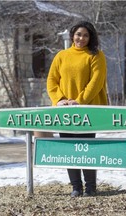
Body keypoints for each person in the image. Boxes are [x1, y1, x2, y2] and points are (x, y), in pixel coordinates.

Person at [46, 21, 108, 197]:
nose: (81, 38)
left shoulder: (96, 55)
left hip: (88, 110)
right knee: (69, 149)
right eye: (78, 34)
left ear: (91, 38)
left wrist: (79, 101)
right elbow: (52, 80)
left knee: (86, 147)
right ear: (73, 35)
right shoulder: (62, 55)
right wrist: (59, 100)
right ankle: (76, 187)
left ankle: (90, 187)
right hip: (64, 112)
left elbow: (96, 83)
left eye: (86, 35)